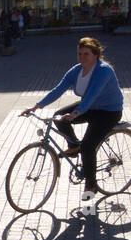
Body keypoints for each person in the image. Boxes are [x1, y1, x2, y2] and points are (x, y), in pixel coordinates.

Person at [20, 36, 124, 203]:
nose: (82, 58)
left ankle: (91, 185)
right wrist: (36, 106)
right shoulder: (77, 70)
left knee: (88, 146)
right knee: (59, 118)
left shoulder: (104, 70)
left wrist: (76, 113)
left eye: (86, 54)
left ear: (95, 55)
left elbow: (92, 95)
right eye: (79, 54)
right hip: (90, 107)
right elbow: (58, 89)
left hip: (108, 111)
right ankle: (74, 145)